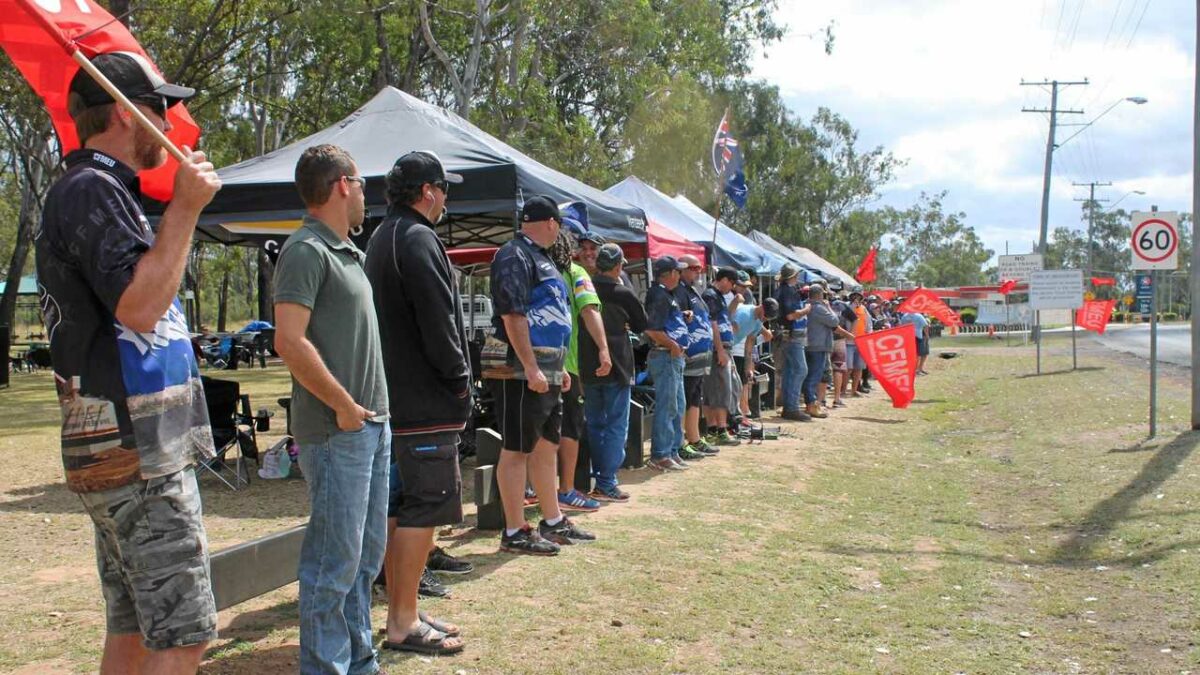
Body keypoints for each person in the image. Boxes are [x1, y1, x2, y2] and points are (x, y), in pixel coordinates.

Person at [37, 52, 221, 675]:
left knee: (139, 630)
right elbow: (141, 306)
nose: (170, 123)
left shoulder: (96, 188)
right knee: (183, 637)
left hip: (121, 444)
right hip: (138, 449)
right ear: (123, 111)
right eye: (160, 108)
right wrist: (188, 208)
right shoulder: (92, 187)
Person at [273, 144, 390, 675]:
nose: (365, 194)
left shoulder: (349, 251)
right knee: (332, 563)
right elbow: (289, 342)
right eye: (362, 183)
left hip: (369, 428)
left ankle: (359, 660)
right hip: (337, 431)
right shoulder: (306, 251)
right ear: (342, 184)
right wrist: (344, 407)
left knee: (364, 559)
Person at [364, 150, 468, 656]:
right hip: (423, 402)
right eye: (445, 188)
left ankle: (401, 607)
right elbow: (438, 323)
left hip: (398, 398)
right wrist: (459, 381)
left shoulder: (384, 235)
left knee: (399, 506)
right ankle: (402, 620)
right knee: (424, 508)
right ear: (428, 190)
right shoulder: (418, 238)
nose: (447, 198)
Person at [489, 196, 596, 555]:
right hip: (521, 370)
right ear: (551, 223)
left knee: (547, 444)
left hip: (549, 368)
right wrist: (532, 366)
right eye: (562, 228)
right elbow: (512, 314)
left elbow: (552, 314)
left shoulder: (544, 258)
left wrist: (558, 368)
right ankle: (514, 528)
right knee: (517, 447)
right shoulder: (514, 254)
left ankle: (552, 520)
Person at [549, 215, 611, 513]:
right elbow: (589, 310)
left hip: (533, 364)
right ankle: (566, 489)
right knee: (570, 428)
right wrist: (603, 348)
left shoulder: (536, 267)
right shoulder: (574, 273)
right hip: (566, 365)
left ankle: (538, 488)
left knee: (540, 430)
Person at [579, 243, 647, 501]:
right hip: (617, 362)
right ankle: (606, 482)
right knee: (617, 424)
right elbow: (642, 324)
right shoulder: (623, 292)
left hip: (587, 361)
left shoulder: (584, 287)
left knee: (595, 423)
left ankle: (598, 477)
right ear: (618, 267)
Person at [643, 256, 691, 471]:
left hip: (672, 357)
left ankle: (671, 450)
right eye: (678, 272)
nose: (680, 275)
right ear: (671, 273)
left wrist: (682, 316)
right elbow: (651, 329)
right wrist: (672, 345)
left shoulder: (666, 295)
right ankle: (660, 454)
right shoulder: (658, 294)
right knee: (668, 404)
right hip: (665, 356)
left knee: (678, 404)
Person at [675, 254, 715, 460]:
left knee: (694, 396)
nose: (697, 272)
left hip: (701, 355)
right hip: (689, 355)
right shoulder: (679, 292)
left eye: (699, 268)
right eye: (693, 268)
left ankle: (695, 437)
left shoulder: (693, 291)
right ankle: (681, 441)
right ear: (681, 269)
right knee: (686, 396)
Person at [801, 285, 854, 419]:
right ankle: (811, 405)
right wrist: (828, 307)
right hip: (818, 347)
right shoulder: (818, 308)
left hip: (813, 345)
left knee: (812, 376)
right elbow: (835, 321)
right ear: (819, 295)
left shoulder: (807, 305)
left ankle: (812, 403)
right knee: (814, 377)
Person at [701, 268, 741, 446]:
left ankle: (713, 429)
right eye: (732, 284)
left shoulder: (718, 296)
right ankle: (720, 429)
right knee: (720, 389)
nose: (732, 288)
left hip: (723, 348)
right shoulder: (710, 295)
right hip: (718, 350)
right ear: (724, 280)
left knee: (717, 389)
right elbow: (712, 324)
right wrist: (720, 350)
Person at [774, 264, 812, 421]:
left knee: (791, 370)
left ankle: (789, 406)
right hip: (792, 335)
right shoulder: (788, 291)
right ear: (792, 277)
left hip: (786, 335)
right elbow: (791, 315)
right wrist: (806, 309)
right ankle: (792, 407)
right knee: (800, 370)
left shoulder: (781, 291)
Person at [731, 294, 778, 418]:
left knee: (740, 382)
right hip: (724, 347)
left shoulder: (757, 322)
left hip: (732, 349)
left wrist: (748, 368)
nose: (764, 319)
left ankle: (739, 415)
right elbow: (729, 331)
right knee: (732, 385)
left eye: (767, 318)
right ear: (761, 307)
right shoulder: (744, 314)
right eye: (765, 316)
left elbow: (750, 343)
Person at [845, 291, 871, 397]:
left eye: (858, 296)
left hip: (861, 341)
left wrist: (869, 333)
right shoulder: (846, 307)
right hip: (849, 342)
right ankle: (843, 390)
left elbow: (869, 323)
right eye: (854, 296)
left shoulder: (864, 309)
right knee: (848, 367)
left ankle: (854, 390)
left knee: (859, 367)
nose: (856, 298)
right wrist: (852, 306)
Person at [901, 309, 932, 374]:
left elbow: (902, 326)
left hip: (908, 335)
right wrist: (927, 335)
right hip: (917, 335)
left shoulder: (904, 316)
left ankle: (913, 369)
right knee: (918, 354)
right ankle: (917, 370)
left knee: (911, 354)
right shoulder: (919, 316)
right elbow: (925, 325)